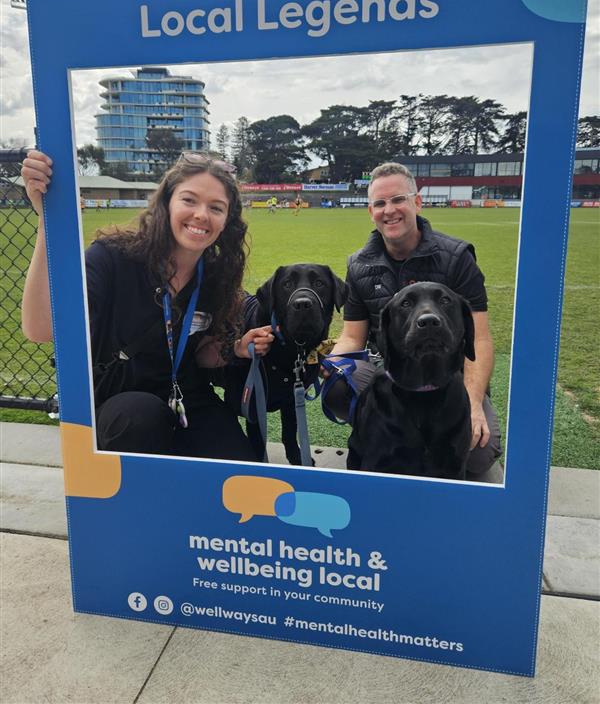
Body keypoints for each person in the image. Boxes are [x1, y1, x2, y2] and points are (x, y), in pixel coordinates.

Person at [21, 150, 273, 461]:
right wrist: (48, 224)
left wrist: (235, 349)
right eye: (189, 200)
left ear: (227, 220)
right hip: (118, 397)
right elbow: (40, 328)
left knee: (240, 465)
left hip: (183, 395)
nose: (201, 215)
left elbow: (202, 353)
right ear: (167, 202)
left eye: (216, 208)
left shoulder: (217, 276)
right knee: (140, 418)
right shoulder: (112, 256)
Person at [328, 162, 502, 482]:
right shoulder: (359, 265)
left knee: (478, 454)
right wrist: (330, 366)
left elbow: (479, 338)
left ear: (417, 202)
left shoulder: (457, 257)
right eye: (380, 203)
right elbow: (353, 337)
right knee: (336, 386)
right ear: (371, 211)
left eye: (398, 200)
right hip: (393, 373)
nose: (389, 210)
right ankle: (386, 438)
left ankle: (428, 443)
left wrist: (473, 403)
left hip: (450, 377)